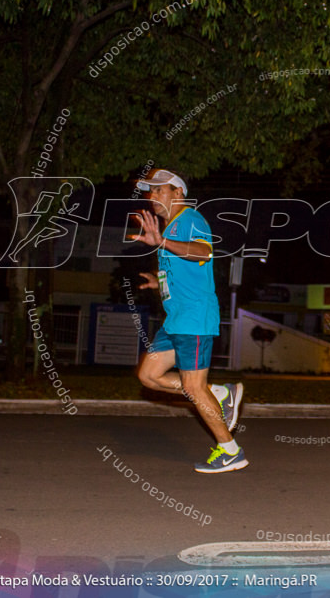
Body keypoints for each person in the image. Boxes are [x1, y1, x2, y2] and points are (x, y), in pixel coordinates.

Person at [132, 169, 247, 473]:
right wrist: (159, 283)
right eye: (150, 191)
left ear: (178, 193)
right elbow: (181, 271)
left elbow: (203, 252)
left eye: (159, 190)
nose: (152, 196)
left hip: (195, 319)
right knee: (149, 375)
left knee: (194, 388)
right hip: (176, 320)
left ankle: (230, 451)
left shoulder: (191, 219)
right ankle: (220, 392)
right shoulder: (170, 228)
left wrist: (163, 244)